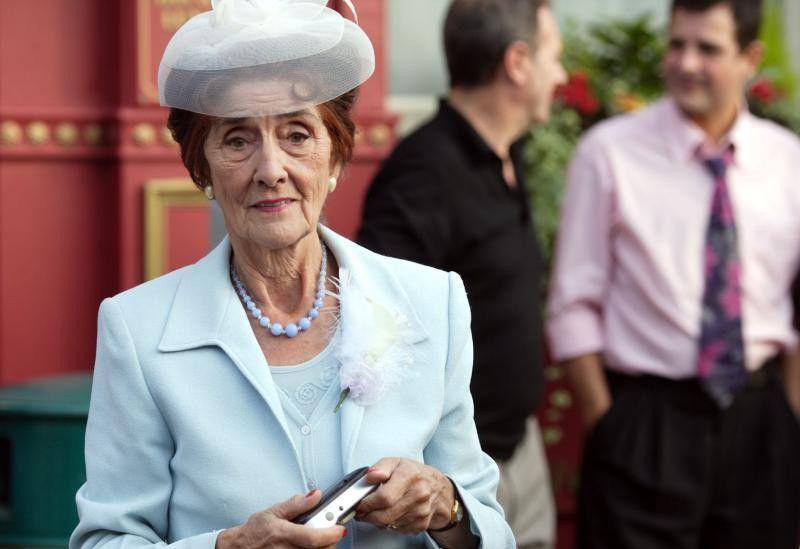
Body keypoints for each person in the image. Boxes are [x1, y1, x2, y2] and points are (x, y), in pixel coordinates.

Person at [70, 1, 514, 548]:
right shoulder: (137, 330)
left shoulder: (431, 300)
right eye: (237, 139)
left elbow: (492, 531)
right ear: (202, 167)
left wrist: (446, 505)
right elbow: (105, 541)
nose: (270, 169)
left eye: (298, 134)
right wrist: (228, 546)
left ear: (334, 159)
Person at [546, 0, 800, 547]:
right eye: (677, 44)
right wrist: (607, 423)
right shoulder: (608, 154)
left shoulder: (789, 163)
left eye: (708, 48)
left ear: (750, 58)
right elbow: (573, 303)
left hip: (761, 424)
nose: (686, 63)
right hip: (645, 422)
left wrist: (790, 416)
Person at [357, 1, 566, 547]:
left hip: (519, 449)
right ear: (518, 63)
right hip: (456, 476)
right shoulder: (423, 174)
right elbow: (381, 332)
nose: (561, 76)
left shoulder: (507, 153)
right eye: (554, 58)